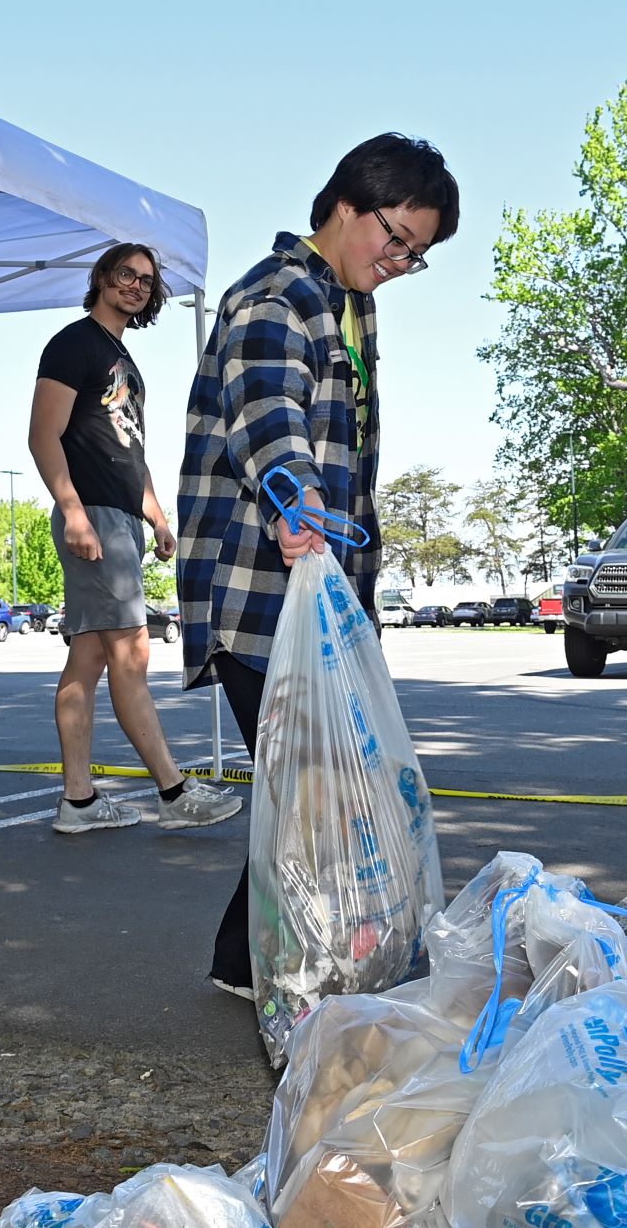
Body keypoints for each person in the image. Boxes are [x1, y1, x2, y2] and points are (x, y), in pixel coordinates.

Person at [176, 133, 460, 995]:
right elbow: (267, 415)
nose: (402, 261)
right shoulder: (277, 296)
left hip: (319, 589)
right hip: (258, 592)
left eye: (418, 254)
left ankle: (248, 961)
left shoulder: (348, 304)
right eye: (398, 238)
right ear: (348, 203)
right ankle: (291, 968)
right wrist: (293, 502)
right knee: (319, 784)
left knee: (310, 786)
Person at [29, 243, 241, 836]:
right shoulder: (74, 344)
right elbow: (43, 436)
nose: (136, 286)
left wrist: (156, 517)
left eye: (146, 281)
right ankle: (174, 793)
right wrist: (73, 513)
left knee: (90, 658)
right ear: (101, 277)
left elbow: (129, 448)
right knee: (132, 655)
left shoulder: (122, 359)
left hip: (120, 519)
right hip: (92, 516)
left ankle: (78, 802)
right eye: (126, 274)